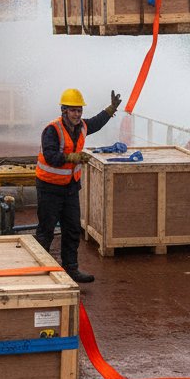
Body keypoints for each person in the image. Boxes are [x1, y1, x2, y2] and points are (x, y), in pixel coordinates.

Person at [35, 87, 122, 284]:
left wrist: (110, 109)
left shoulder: (82, 126)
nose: (77, 114)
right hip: (49, 187)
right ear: (64, 111)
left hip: (70, 188)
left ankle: (70, 269)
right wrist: (72, 157)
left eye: (79, 110)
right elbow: (50, 156)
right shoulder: (52, 130)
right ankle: (39, 272)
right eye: (73, 110)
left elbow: (96, 123)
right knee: (46, 230)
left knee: (72, 229)